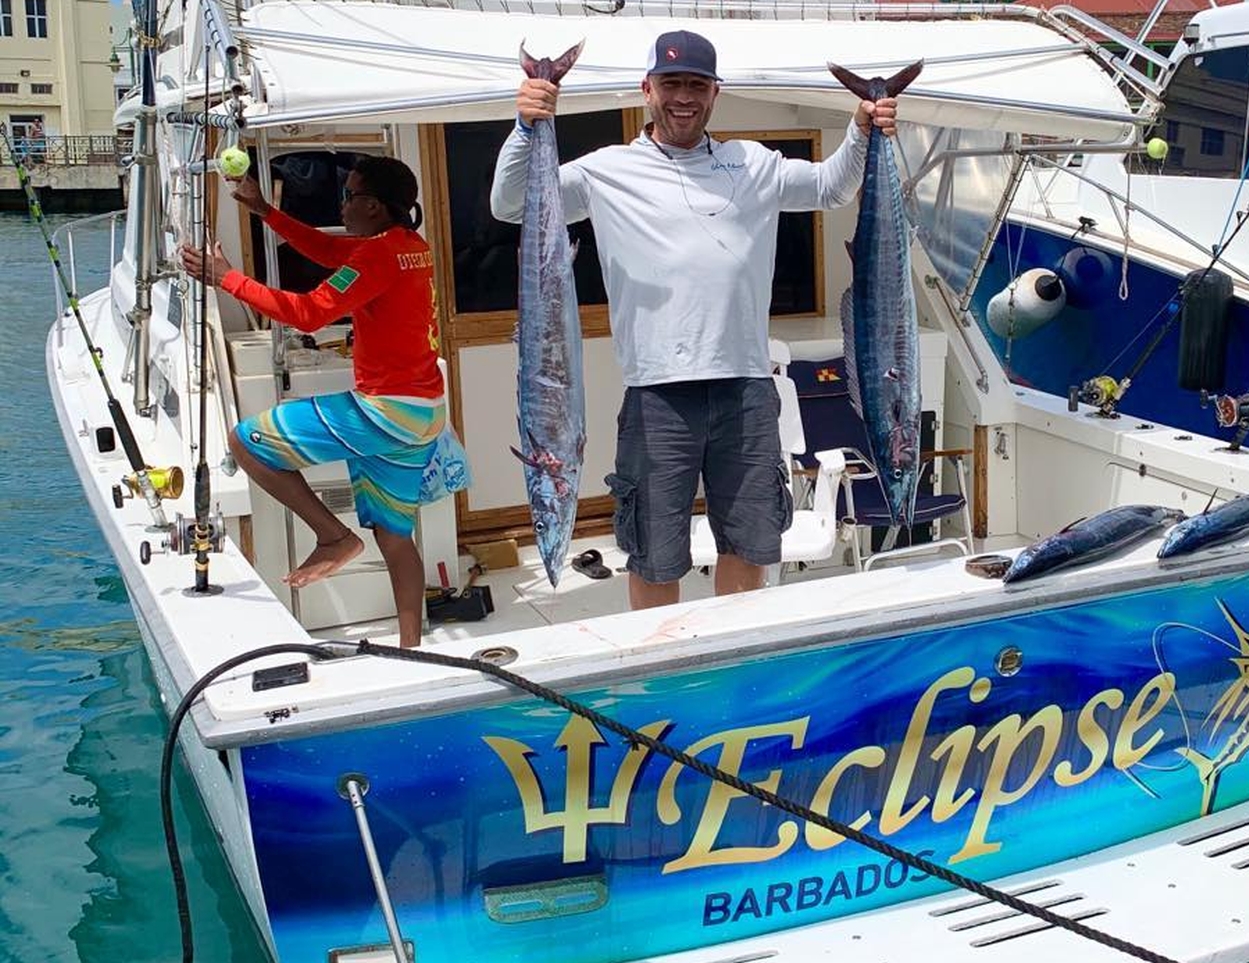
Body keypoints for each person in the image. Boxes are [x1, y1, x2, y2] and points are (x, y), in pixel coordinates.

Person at [490, 29, 899, 610]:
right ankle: (662, 655)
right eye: (671, 83)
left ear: (715, 93)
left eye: (697, 85)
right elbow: (511, 205)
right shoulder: (607, 170)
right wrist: (526, 126)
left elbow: (832, 189)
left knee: (751, 543)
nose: (684, 97)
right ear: (647, 89)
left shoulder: (752, 164)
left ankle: (735, 649)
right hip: (656, 394)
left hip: (745, 387)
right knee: (654, 552)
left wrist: (860, 128)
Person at [181, 156, 467, 648]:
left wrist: (227, 278)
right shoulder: (408, 247)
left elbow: (309, 314)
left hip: (384, 413)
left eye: (348, 196)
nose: (341, 205)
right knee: (394, 535)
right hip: (423, 413)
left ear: (373, 206)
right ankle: (411, 648)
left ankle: (334, 537)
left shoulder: (377, 256)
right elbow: (330, 250)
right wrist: (264, 210)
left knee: (246, 441)